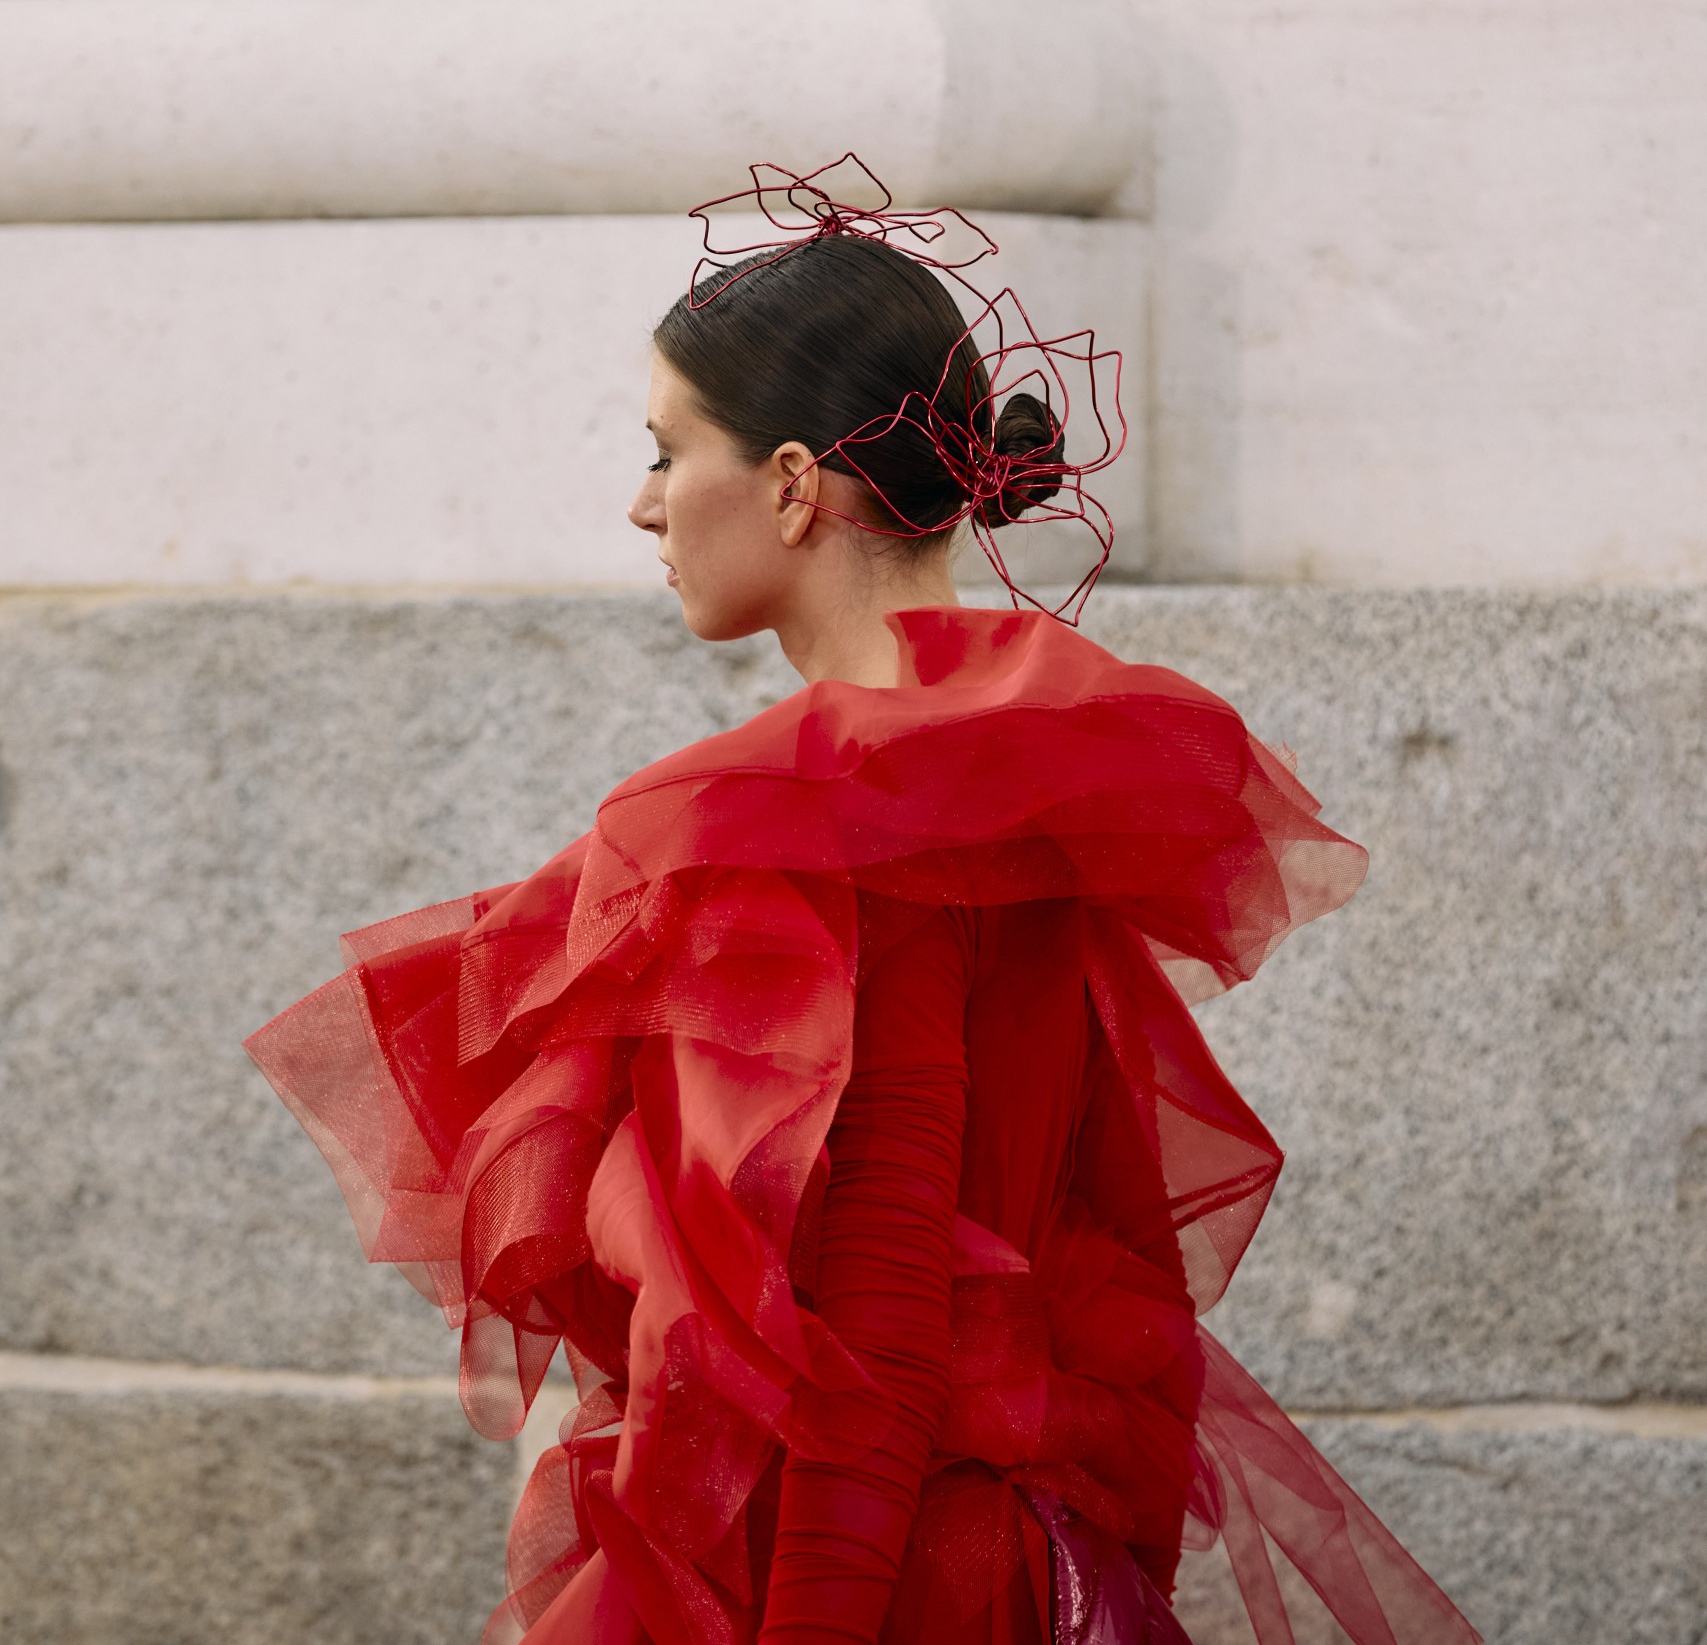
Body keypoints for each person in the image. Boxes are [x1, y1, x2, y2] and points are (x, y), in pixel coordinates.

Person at [247, 167, 1481, 1645]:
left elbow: (882, 1292)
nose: (639, 504)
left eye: (664, 451)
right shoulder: (1025, 769)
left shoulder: (819, 815)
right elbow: (1074, 1237)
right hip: (998, 1533)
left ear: (784, 483)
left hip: (865, 1567)